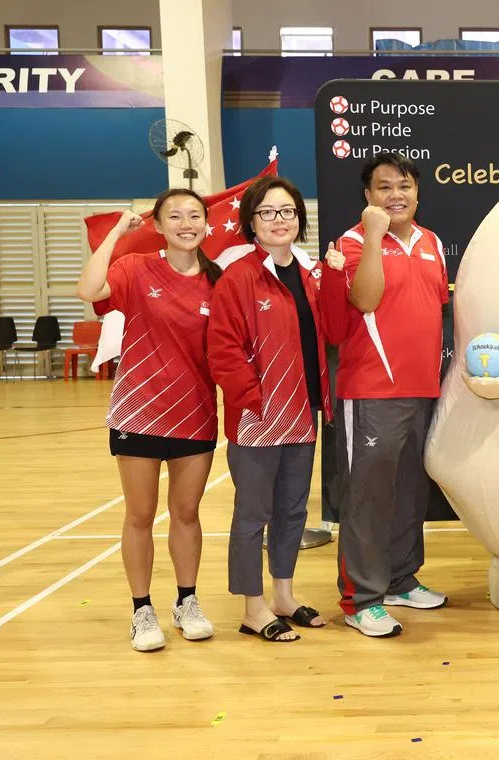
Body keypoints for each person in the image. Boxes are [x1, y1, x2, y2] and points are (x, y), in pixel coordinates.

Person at [75, 189, 219, 652]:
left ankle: (187, 601)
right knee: (139, 515)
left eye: (194, 215)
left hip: (195, 414)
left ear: (206, 224)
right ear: (157, 225)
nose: (185, 223)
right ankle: (142, 610)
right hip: (139, 412)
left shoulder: (219, 280)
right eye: (174, 216)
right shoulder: (136, 269)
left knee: (187, 513)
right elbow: (88, 290)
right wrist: (117, 232)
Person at [319, 152, 449, 638]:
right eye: (385, 187)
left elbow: (435, 308)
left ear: (418, 192)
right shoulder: (353, 244)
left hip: (422, 390)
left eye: (405, 186)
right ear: (368, 196)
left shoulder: (431, 242)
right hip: (372, 392)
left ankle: (398, 578)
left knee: (409, 492)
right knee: (368, 498)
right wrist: (374, 234)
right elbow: (366, 300)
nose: (397, 195)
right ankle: (361, 599)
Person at [207, 176, 333, 642]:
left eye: (287, 212)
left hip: (303, 413)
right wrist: (253, 401)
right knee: (251, 515)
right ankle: (253, 607)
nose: (279, 220)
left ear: (299, 219)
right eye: (268, 213)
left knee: (293, 513)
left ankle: (283, 594)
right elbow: (223, 349)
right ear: (251, 222)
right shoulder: (239, 278)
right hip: (257, 419)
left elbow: (330, 336)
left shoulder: (310, 275)